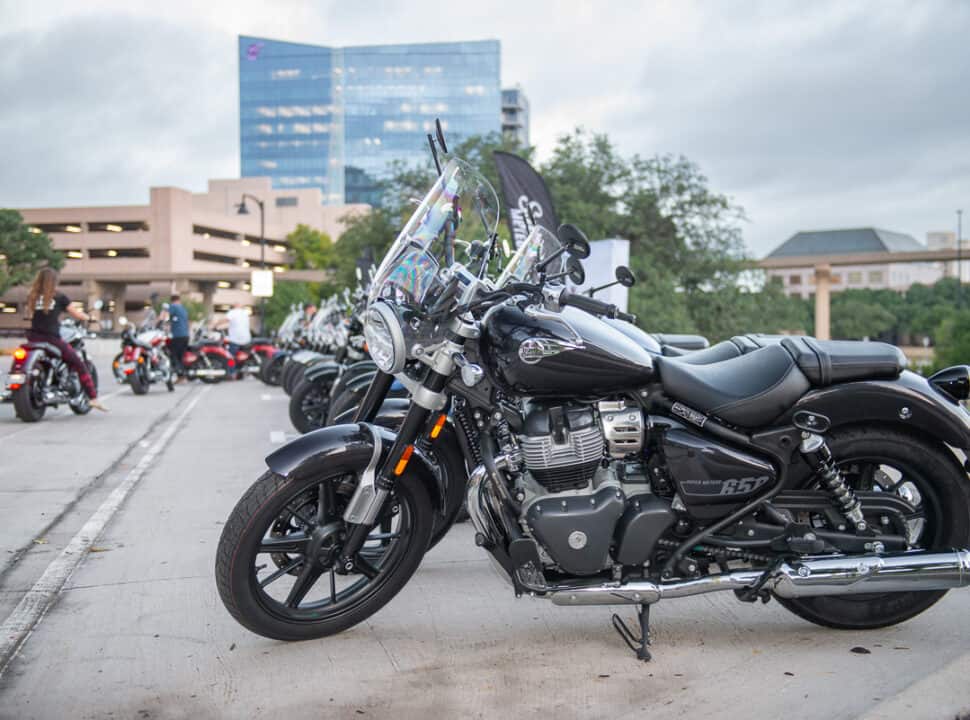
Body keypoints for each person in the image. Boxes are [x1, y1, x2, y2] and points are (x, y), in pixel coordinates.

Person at [25, 267, 106, 412]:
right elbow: (77, 314)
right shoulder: (59, 297)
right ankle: (93, 399)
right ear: (54, 281)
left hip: (33, 338)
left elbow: (30, 315)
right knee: (79, 364)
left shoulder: (33, 296)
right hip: (51, 339)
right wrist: (90, 318)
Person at [215, 302, 252, 378]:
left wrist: (215, 325)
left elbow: (225, 320)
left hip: (236, 339)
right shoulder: (244, 313)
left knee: (230, 357)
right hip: (247, 338)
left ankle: (231, 372)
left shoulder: (233, 312)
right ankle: (240, 372)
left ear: (234, 306)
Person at [166, 294, 190, 382]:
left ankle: (181, 374)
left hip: (177, 335)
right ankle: (182, 376)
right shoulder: (183, 309)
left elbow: (165, 316)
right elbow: (187, 322)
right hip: (185, 335)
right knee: (181, 356)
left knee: (173, 355)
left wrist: (159, 321)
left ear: (172, 300)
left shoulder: (173, 306)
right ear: (179, 300)